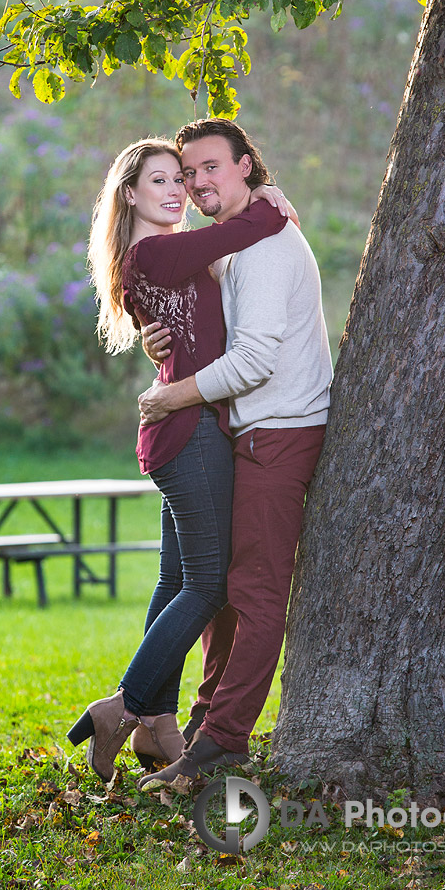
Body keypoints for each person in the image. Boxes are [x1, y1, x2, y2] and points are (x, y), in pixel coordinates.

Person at [69, 137, 291, 782]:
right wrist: (269, 194)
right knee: (210, 582)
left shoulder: (153, 258)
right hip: (190, 434)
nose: (177, 190)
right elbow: (260, 222)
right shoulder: (160, 251)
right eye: (161, 180)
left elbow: (182, 339)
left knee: (175, 580)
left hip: (182, 430)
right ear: (130, 194)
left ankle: (158, 723)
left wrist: (157, 345)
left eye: (181, 178)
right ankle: (124, 706)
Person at [135, 117, 333, 787]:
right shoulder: (239, 242)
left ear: (246, 165)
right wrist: (154, 340)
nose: (195, 182)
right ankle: (201, 721)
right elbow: (200, 319)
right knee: (217, 590)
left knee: (250, 591)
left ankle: (223, 740)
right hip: (245, 433)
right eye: (188, 172)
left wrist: (173, 396)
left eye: (210, 166)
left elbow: (251, 360)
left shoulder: (267, 248)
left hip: (279, 433)